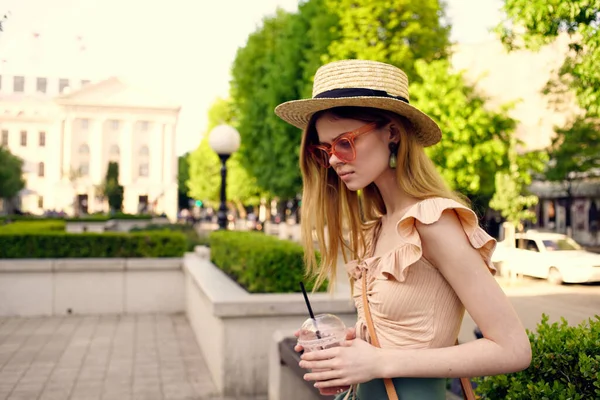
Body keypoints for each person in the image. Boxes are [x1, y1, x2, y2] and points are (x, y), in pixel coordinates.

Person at [274, 59, 531, 400]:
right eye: (325, 150)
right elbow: (403, 338)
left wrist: (379, 362)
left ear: (391, 133)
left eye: (344, 143)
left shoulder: (431, 221)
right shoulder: (376, 228)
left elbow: (513, 349)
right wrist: (349, 352)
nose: (334, 159)